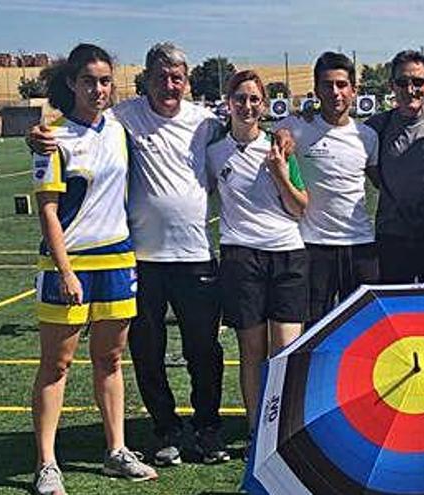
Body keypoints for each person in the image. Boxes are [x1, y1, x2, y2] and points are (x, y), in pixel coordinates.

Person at [28, 42, 229, 466]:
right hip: (142, 259)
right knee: (145, 352)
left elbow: (250, 127)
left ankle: (208, 428)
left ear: (188, 81)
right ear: (145, 82)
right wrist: (38, 132)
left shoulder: (207, 122)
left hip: (193, 255)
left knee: (203, 349)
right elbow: (74, 126)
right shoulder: (124, 118)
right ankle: (165, 431)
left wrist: (287, 128)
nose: (169, 85)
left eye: (177, 78)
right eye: (160, 77)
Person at [30, 43, 157, 494]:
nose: (99, 89)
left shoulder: (120, 130)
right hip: (69, 266)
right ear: (71, 83)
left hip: (118, 262)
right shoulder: (52, 137)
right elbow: (48, 211)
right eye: (89, 81)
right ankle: (47, 463)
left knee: (109, 359)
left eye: (105, 81)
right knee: (57, 365)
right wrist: (64, 271)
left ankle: (117, 450)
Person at [207, 70, 308, 432]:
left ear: (263, 105)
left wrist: (280, 172)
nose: (247, 106)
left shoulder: (280, 147)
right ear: (228, 102)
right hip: (240, 258)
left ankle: (283, 430)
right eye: (240, 98)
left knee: (284, 353)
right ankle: (256, 430)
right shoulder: (214, 152)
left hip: (287, 256)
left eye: (254, 99)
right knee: (252, 352)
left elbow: (300, 207)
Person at [273, 52, 379, 326]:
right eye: (327, 85)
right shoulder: (297, 127)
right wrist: (281, 133)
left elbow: (381, 181)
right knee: (315, 329)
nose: (335, 92)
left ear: (354, 90)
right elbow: (275, 132)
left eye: (342, 84)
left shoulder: (367, 136)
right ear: (317, 90)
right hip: (313, 246)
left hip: (360, 246)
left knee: (363, 331)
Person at [365, 50, 424, 283]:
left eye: (417, 82)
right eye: (402, 82)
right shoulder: (376, 126)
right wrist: (307, 116)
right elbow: (337, 132)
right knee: (396, 313)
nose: (410, 90)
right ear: (392, 86)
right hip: (393, 237)